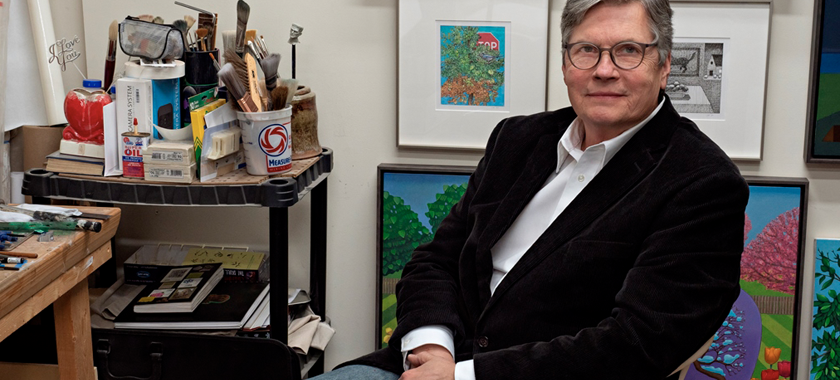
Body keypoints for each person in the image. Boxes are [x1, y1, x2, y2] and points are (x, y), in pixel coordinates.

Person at [316, 0, 749, 378]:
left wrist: (463, 377)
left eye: (628, 52)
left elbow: (637, 344)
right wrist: (433, 349)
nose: (603, 70)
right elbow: (437, 258)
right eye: (586, 51)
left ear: (665, 63)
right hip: (429, 362)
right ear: (565, 64)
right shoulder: (517, 140)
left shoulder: (703, 184)